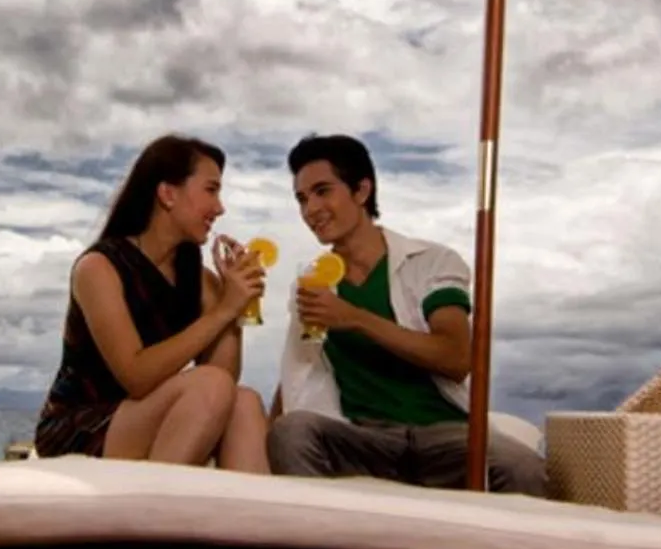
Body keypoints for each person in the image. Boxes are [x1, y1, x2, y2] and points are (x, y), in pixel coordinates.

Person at [267, 133, 545, 494]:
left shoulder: (430, 263)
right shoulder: (312, 282)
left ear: (361, 191)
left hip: (444, 435)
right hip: (364, 438)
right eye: (302, 199)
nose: (310, 210)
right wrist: (268, 431)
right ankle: (321, 545)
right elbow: (300, 365)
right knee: (291, 431)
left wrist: (354, 317)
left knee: (519, 466)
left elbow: (455, 357)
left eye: (322, 191)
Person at [31, 134, 271, 470]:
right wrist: (223, 310)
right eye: (211, 190)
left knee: (244, 401)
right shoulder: (99, 267)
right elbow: (137, 376)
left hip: (144, 414)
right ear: (168, 194)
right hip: (82, 422)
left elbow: (224, 377)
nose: (220, 208)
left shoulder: (198, 277)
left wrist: (237, 305)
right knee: (212, 386)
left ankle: (250, 520)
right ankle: (153, 516)